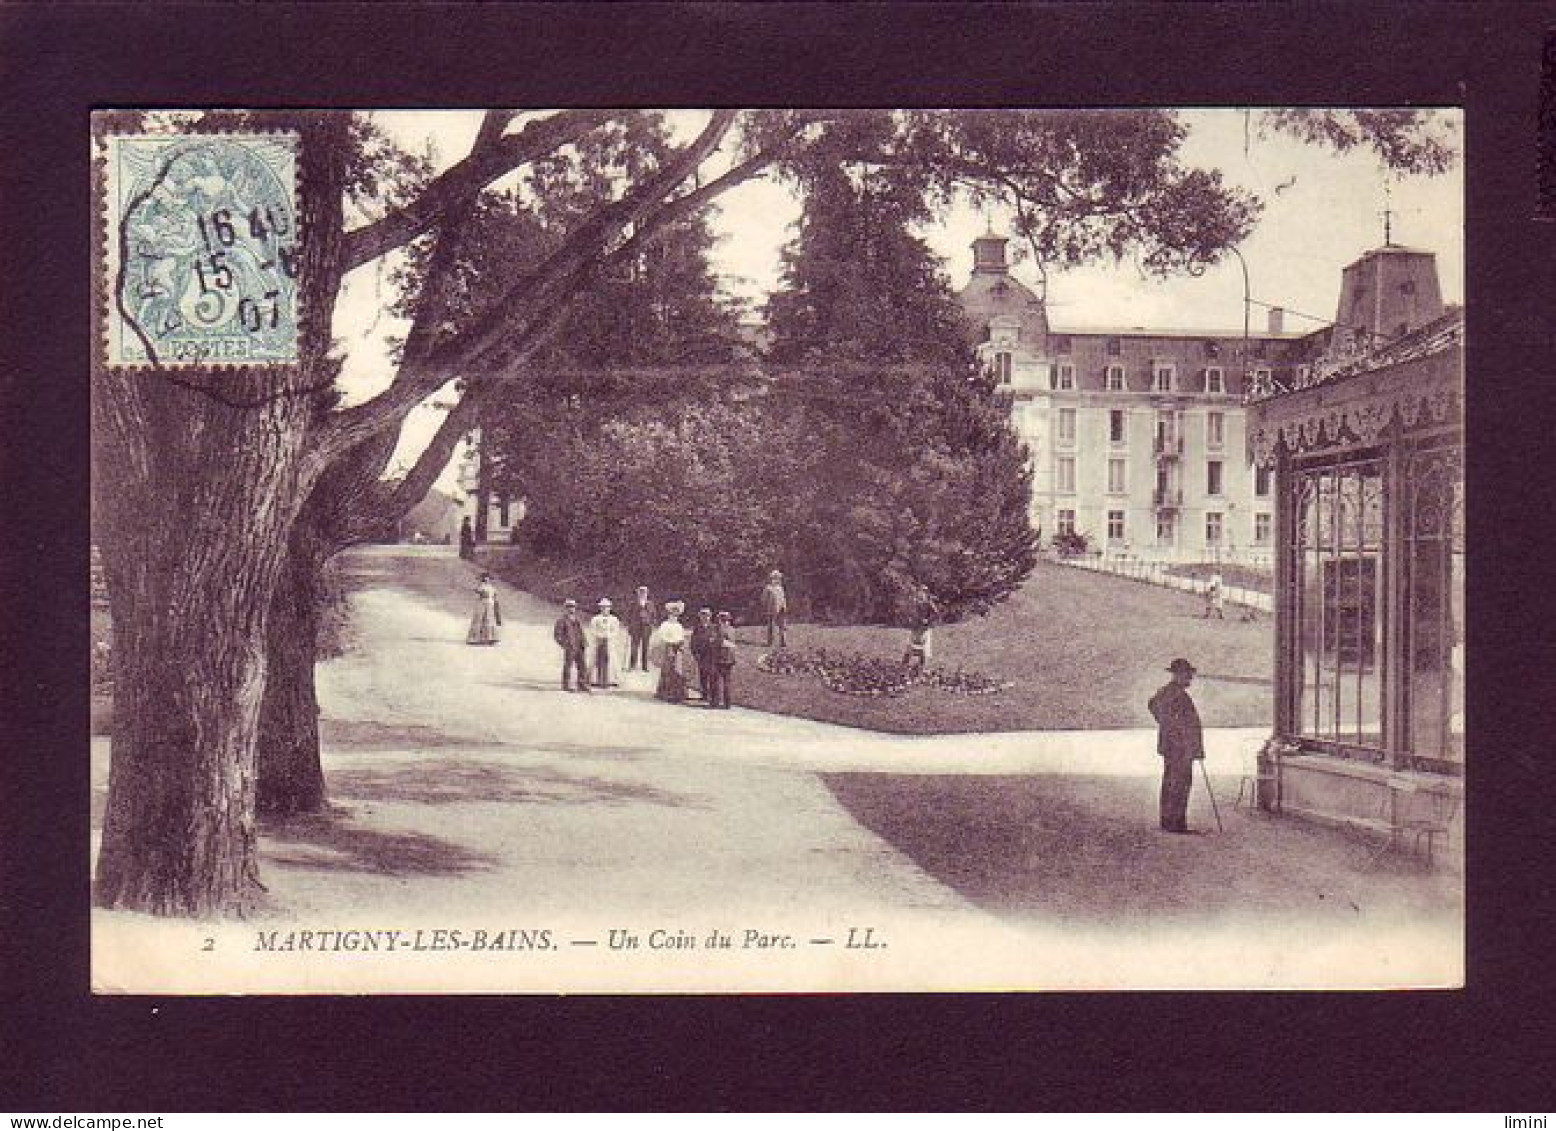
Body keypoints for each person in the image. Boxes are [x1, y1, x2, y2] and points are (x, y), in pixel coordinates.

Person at [1148, 658, 1205, 834]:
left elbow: (1152, 705)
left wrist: (1165, 726)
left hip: (1171, 746)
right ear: (1178, 675)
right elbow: (1184, 724)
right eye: (1187, 675)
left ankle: (1168, 821)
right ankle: (1176, 823)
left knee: (1170, 782)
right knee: (1180, 783)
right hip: (1181, 748)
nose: (1190, 679)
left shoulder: (1165, 692)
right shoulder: (1177, 695)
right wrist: (1184, 739)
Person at [649, 600, 689, 703]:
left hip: (677, 649)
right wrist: (671, 642)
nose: (674, 616)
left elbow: (682, 636)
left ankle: (677, 693)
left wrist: (681, 643)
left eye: (676, 614)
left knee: (677, 670)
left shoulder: (679, 626)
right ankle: (666, 693)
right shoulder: (665, 625)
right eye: (672, 613)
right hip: (669, 648)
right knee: (668, 670)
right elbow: (662, 636)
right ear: (669, 613)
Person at [552, 598, 591, 693]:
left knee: (582, 666)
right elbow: (557, 635)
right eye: (569, 607)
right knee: (568, 666)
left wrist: (584, 642)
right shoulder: (561, 620)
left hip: (579, 646)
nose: (571, 609)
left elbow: (581, 632)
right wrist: (565, 644)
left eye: (573, 607)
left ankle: (582, 684)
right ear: (565, 608)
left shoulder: (576, 620)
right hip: (570, 646)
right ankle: (566, 685)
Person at [588, 598, 624, 688]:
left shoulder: (614, 619)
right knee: (596, 659)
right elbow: (593, 630)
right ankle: (596, 679)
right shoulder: (596, 619)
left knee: (611, 659)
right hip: (599, 641)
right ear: (600, 608)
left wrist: (609, 636)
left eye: (606, 607)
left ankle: (611, 680)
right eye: (602, 607)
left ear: (610, 608)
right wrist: (599, 636)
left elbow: (616, 630)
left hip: (610, 642)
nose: (604, 609)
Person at [902, 585, 938, 676]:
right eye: (919, 592)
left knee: (924, 650)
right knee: (910, 648)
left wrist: (928, 620)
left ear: (926, 594)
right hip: (915, 628)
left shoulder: (929, 603)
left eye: (923, 592)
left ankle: (920, 669)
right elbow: (909, 613)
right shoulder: (915, 603)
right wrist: (910, 619)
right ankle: (903, 667)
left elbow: (936, 614)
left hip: (924, 629)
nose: (921, 594)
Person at [705, 611, 738, 709]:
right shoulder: (732, 629)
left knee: (715, 681)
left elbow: (715, 642)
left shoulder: (718, 629)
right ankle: (727, 703)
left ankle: (715, 702)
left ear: (720, 620)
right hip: (730, 659)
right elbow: (732, 644)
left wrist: (713, 642)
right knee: (727, 681)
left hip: (719, 658)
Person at [625, 585, 657, 672]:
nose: (643, 594)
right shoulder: (633, 604)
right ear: (638, 594)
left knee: (645, 647)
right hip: (636, 627)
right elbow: (629, 616)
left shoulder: (650, 604)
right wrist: (629, 626)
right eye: (641, 592)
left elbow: (654, 616)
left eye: (644, 593)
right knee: (634, 646)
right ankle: (632, 665)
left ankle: (644, 666)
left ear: (647, 594)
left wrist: (652, 625)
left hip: (646, 628)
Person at [688, 607, 716, 701]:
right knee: (703, 675)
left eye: (707, 615)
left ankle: (712, 696)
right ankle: (704, 694)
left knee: (712, 676)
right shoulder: (697, 628)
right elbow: (693, 642)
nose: (705, 617)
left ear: (710, 616)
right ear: (700, 616)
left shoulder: (714, 627)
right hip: (701, 655)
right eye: (703, 615)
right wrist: (695, 653)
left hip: (712, 656)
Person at [465, 572, 501, 646]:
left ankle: (490, 638)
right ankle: (475, 638)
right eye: (485, 578)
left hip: (490, 604)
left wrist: (495, 604)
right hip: (482, 604)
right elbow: (478, 592)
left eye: (488, 578)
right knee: (480, 619)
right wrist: (482, 593)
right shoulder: (481, 586)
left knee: (490, 619)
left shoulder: (492, 587)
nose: (487, 580)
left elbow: (495, 596)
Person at [761, 570, 788, 649]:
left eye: (778, 578)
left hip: (781, 608)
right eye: (775, 578)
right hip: (772, 609)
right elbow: (764, 599)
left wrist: (784, 606)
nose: (777, 580)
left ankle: (783, 642)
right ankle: (770, 642)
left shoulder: (780, 587)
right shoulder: (768, 588)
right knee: (771, 626)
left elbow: (783, 598)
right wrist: (767, 606)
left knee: (783, 626)